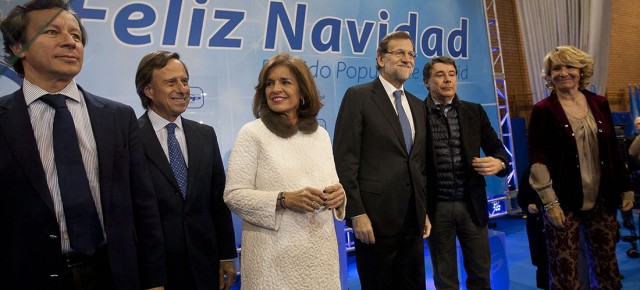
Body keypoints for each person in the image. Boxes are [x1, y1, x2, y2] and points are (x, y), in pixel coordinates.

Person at [0, 1, 165, 289]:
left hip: (113, 276)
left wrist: (154, 281)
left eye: (76, 36)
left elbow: (144, 209)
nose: (69, 42)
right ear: (18, 47)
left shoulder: (117, 117)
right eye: (52, 32)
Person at [223, 52, 346, 290]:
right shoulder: (252, 133)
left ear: (303, 91)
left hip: (320, 258)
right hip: (272, 262)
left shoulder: (320, 135)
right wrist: (283, 199)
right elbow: (234, 195)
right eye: (269, 83)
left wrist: (339, 195)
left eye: (285, 82)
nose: (275, 89)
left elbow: (333, 184)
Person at [528, 45, 634, 289]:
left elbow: (613, 151)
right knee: (565, 273)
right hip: (562, 202)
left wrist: (626, 186)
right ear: (549, 74)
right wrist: (550, 202)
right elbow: (538, 159)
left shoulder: (600, 103)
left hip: (602, 198)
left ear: (581, 70)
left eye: (569, 66)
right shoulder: (542, 110)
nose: (563, 73)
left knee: (607, 268)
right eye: (556, 68)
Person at [333, 31, 430, 290]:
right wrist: (357, 212)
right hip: (374, 221)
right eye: (399, 53)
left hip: (413, 219)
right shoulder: (359, 96)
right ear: (380, 58)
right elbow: (345, 160)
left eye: (411, 54)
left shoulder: (418, 105)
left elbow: (418, 164)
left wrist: (424, 210)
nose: (407, 59)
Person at [135, 51, 238, 290]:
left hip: (205, 266)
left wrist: (226, 255)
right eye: (171, 82)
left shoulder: (205, 135)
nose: (182, 89)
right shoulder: (130, 138)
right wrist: (150, 275)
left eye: (185, 81)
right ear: (148, 91)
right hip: (157, 271)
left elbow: (217, 200)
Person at [422, 55, 510, 290]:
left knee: (481, 275)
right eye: (440, 75)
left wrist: (500, 163)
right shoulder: (416, 114)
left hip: (472, 205)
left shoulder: (474, 111)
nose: (447, 80)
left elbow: (498, 148)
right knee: (445, 279)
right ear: (427, 82)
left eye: (451, 75)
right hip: (436, 207)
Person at [517, 167, 549, 290]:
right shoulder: (528, 173)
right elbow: (521, 198)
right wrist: (527, 206)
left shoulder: (557, 169)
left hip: (557, 222)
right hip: (536, 223)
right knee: (542, 261)